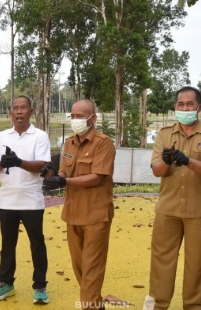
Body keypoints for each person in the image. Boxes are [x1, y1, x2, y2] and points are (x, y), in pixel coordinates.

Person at [144, 87, 201, 310]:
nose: (185, 108)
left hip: (200, 211)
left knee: (197, 263)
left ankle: (193, 306)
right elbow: (157, 170)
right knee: (161, 261)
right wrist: (167, 160)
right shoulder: (164, 134)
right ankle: (158, 306)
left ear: (199, 107)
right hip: (167, 210)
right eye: (181, 104)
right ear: (175, 107)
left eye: (190, 104)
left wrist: (188, 161)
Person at [42, 99, 115, 310]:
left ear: (93, 118)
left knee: (92, 267)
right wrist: (52, 174)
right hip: (73, 213)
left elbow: (98, 178)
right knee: (80, 266)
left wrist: (64, 181)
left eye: (80, 116)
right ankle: (95, 303)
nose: (75, 120)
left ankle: (89, 306)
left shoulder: (103, 143)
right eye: (73, 116)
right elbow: (65, 171)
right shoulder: (69, 143)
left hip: (95, 214)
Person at [0, 96, 51, 304]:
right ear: (10, 112)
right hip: (7, 200)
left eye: (24, 108)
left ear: (32, 111)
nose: (19, 112)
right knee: (7, 245)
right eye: (16, 108)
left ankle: (40, 286)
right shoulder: (1, 136)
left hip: (32, 199)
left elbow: (42, 166)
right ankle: (6, 283)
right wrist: (3, 162)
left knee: (37, 244)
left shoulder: (40, 136)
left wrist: (19, 162)